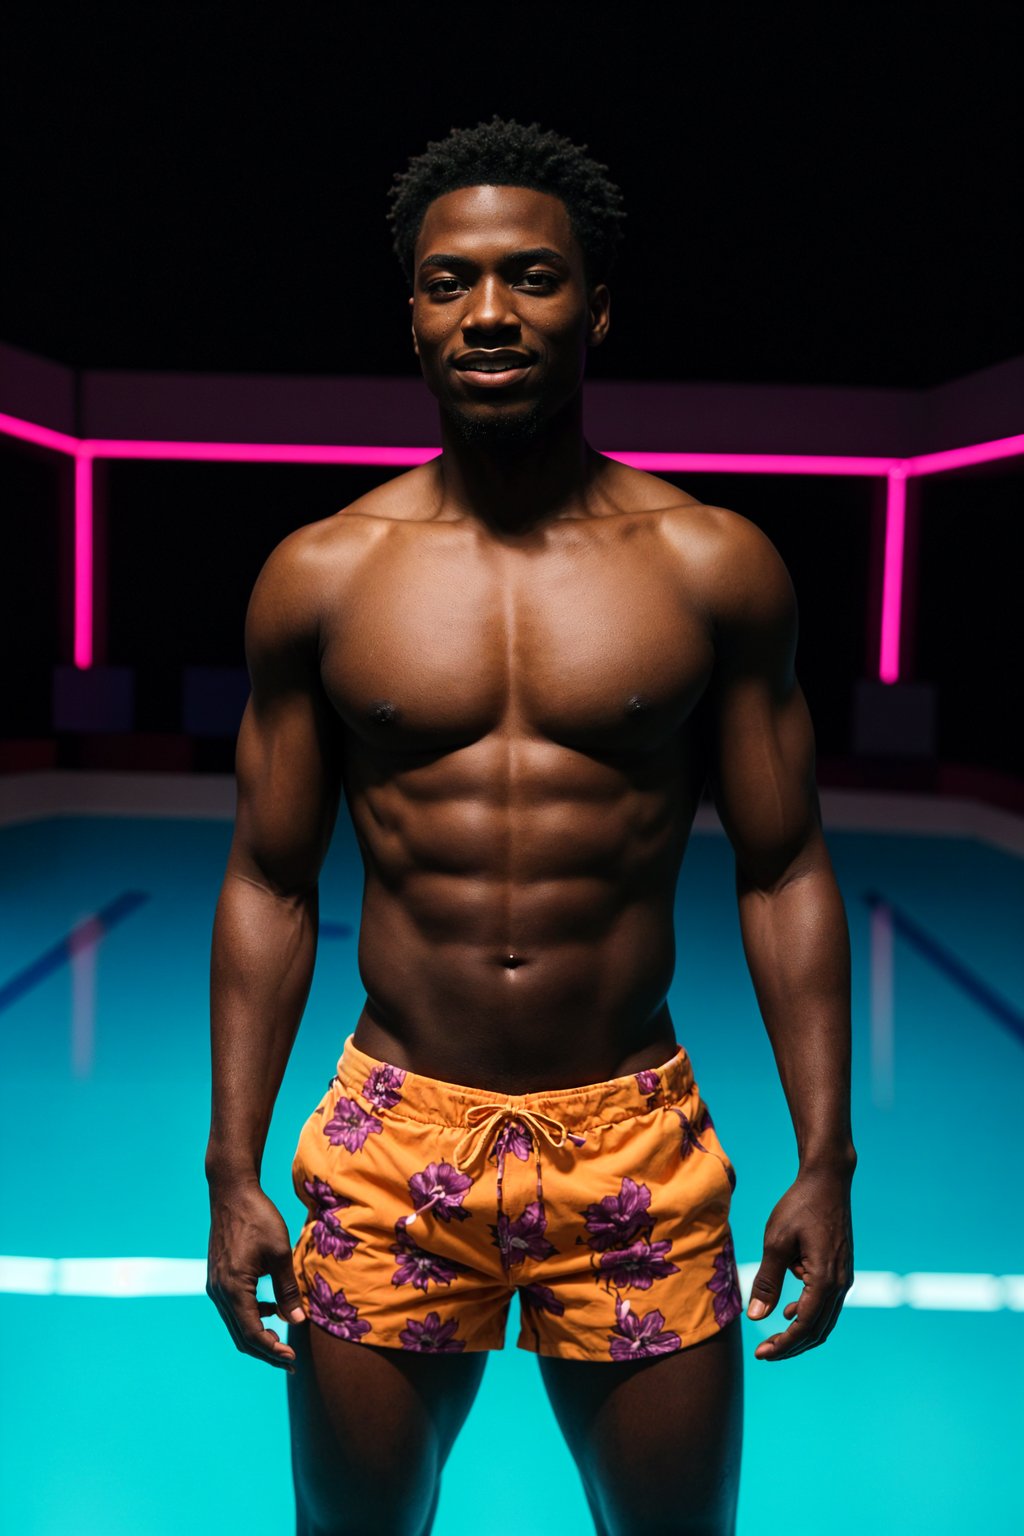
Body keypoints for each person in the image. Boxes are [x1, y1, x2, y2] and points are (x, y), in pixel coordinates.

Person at [205, 116, 856, 1536]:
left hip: (633, 1139)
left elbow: (785, 862)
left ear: (596, 307)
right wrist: (230, 1169)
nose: (488, 312)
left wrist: (828, 1157)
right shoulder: (319, 576)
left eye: (530, 278)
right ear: (414, 316)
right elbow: (266, 879)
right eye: (449, 282)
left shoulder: (711, 567)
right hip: (394, 1139)